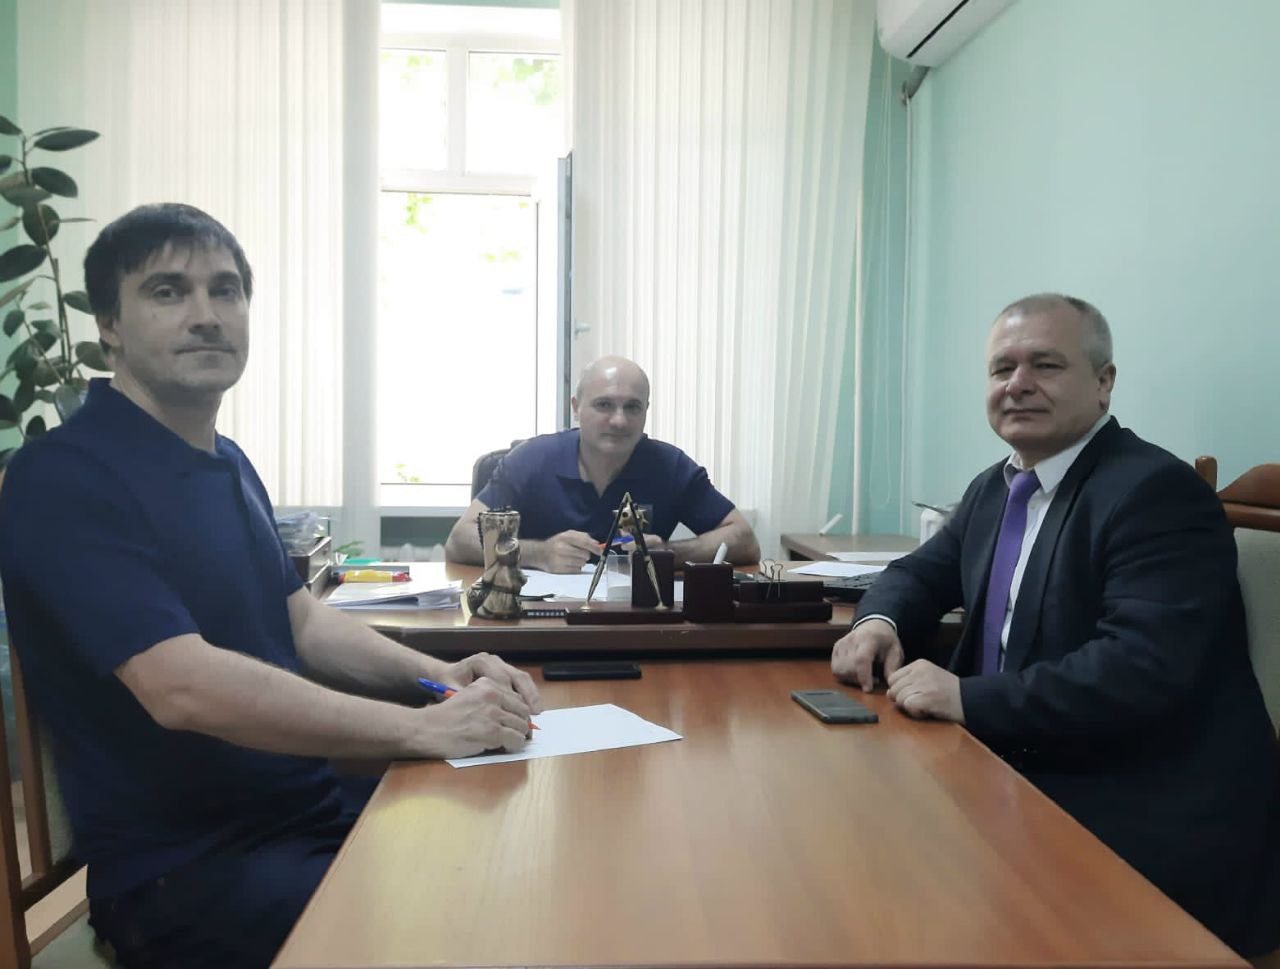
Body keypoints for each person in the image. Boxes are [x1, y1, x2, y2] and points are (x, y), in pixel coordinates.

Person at [0, 203, 542, 969]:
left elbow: (304, 623)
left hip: (304, 816)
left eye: (225, 290)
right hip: (185, 874)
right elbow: (181, 686)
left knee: (525, 849)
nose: (205, 314)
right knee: (487, 929)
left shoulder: (227, 462)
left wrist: (439, 676)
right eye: (167, 291)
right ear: (109, 325)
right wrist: (423, 729)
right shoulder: (65, 477)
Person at [831, 294, 1280, 957]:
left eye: (1045, 364)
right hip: (1019, 766)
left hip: (1138, 800)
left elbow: (1139, 669)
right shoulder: (997, 486)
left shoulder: (1155, 493)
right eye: (1001, 368)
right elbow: (921, 573)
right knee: (853, 861)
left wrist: (967, 697)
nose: (1017, 384)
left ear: (1103, 383)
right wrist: (878, 621)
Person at [446, 355, 760, 572]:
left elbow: (744, 540)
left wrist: (669, 553)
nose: (619, 420)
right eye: (604, 405)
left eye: (632, 407)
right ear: (576, 408)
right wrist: (538, 553)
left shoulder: (669, 465)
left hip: (635, 623)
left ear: (646, 410)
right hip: (538, 622)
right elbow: (460, 540)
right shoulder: (531, 460)